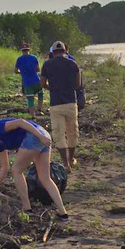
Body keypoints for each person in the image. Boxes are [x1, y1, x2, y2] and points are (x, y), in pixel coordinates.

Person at [0, 118, 69, 221]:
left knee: (17, 170)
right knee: (45, 178)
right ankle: (63, 214)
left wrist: (40, 136)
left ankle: (27, 209)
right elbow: (5, 167)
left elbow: (20, 122)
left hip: (36, 135)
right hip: (41, 135)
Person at [40, 41, 81, 173]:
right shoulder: (72, 64)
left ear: (53, 52)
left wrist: (51, 88)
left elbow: (42, 83)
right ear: (65, 51)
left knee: (58, 134)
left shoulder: (47, 64)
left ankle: (65, 163)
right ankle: (71, 159)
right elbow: (78, 84)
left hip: (55, 103)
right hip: (70, 102)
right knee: (72, 132)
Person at [15, 43, 44, 119]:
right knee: (41, 94)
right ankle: (39, 109)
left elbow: (15, 70)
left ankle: (33, 116)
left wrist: (21, 72)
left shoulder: (19, 59)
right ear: (29, 50)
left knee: (30, 99)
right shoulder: (34, 58)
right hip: (36, 80)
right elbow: (38, 69)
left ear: (22, 51)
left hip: (26, 82)